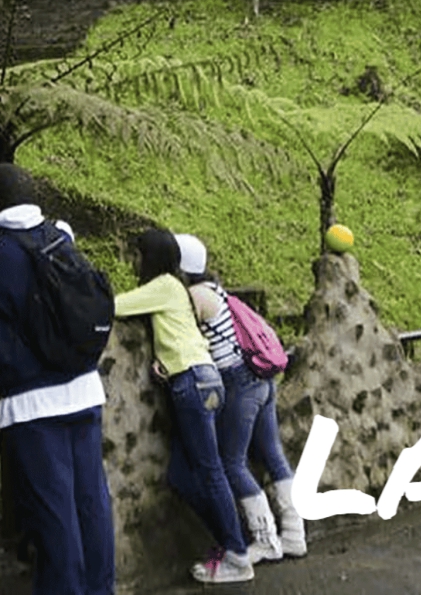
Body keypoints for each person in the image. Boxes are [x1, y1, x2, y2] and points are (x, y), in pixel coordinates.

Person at [0, 163, 114, 595]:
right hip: (85, 389)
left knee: (55, 519)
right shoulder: (60, 234)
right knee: (92, 506)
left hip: (32, 403)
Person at [113, 228, 253, 584]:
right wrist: (166, 360)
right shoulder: (174, 288)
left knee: (210, 471)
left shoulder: (163, 285)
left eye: (137, 254)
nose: (133, 261)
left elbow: (115, 306)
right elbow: (180, 335)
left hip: (193, 382)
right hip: (199, 377)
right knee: (181, 474)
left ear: (153, 256)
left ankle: (238, 555)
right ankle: (233, 539)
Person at [175, 234, 306, 561]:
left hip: (237, 381)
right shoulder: (217, 289)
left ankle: (266, 541)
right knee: (272, 454)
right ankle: (294, 534)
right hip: (262, 377)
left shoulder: (194, 297)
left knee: (232, 462)